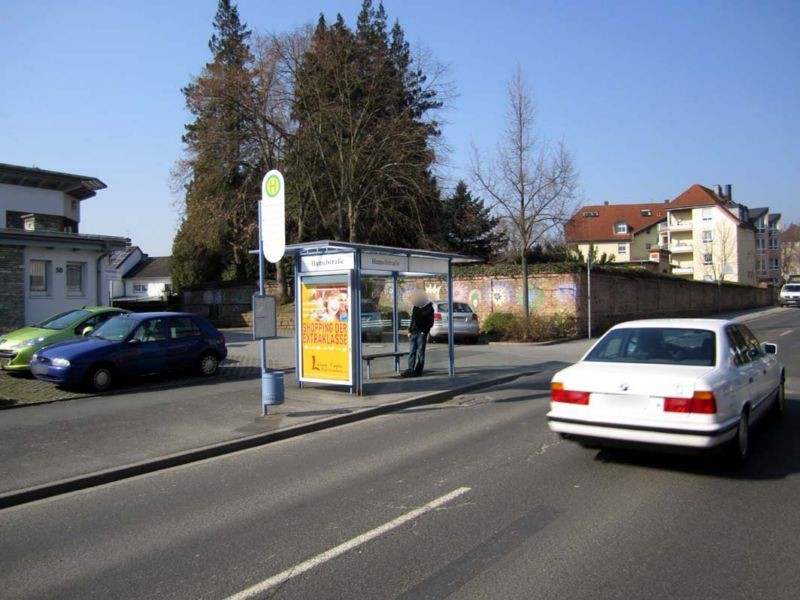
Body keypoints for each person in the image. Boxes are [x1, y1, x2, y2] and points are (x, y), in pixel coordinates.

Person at [402, 290, 435, 377]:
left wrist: (424, 332)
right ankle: (410, 369)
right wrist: (409, 330)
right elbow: (413, 320)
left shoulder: (429, 308)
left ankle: (418, 371)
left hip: (421, 333)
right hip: (413, 333)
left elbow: (430, 322)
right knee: (411, 352)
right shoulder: (415, 308)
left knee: (420, 352)